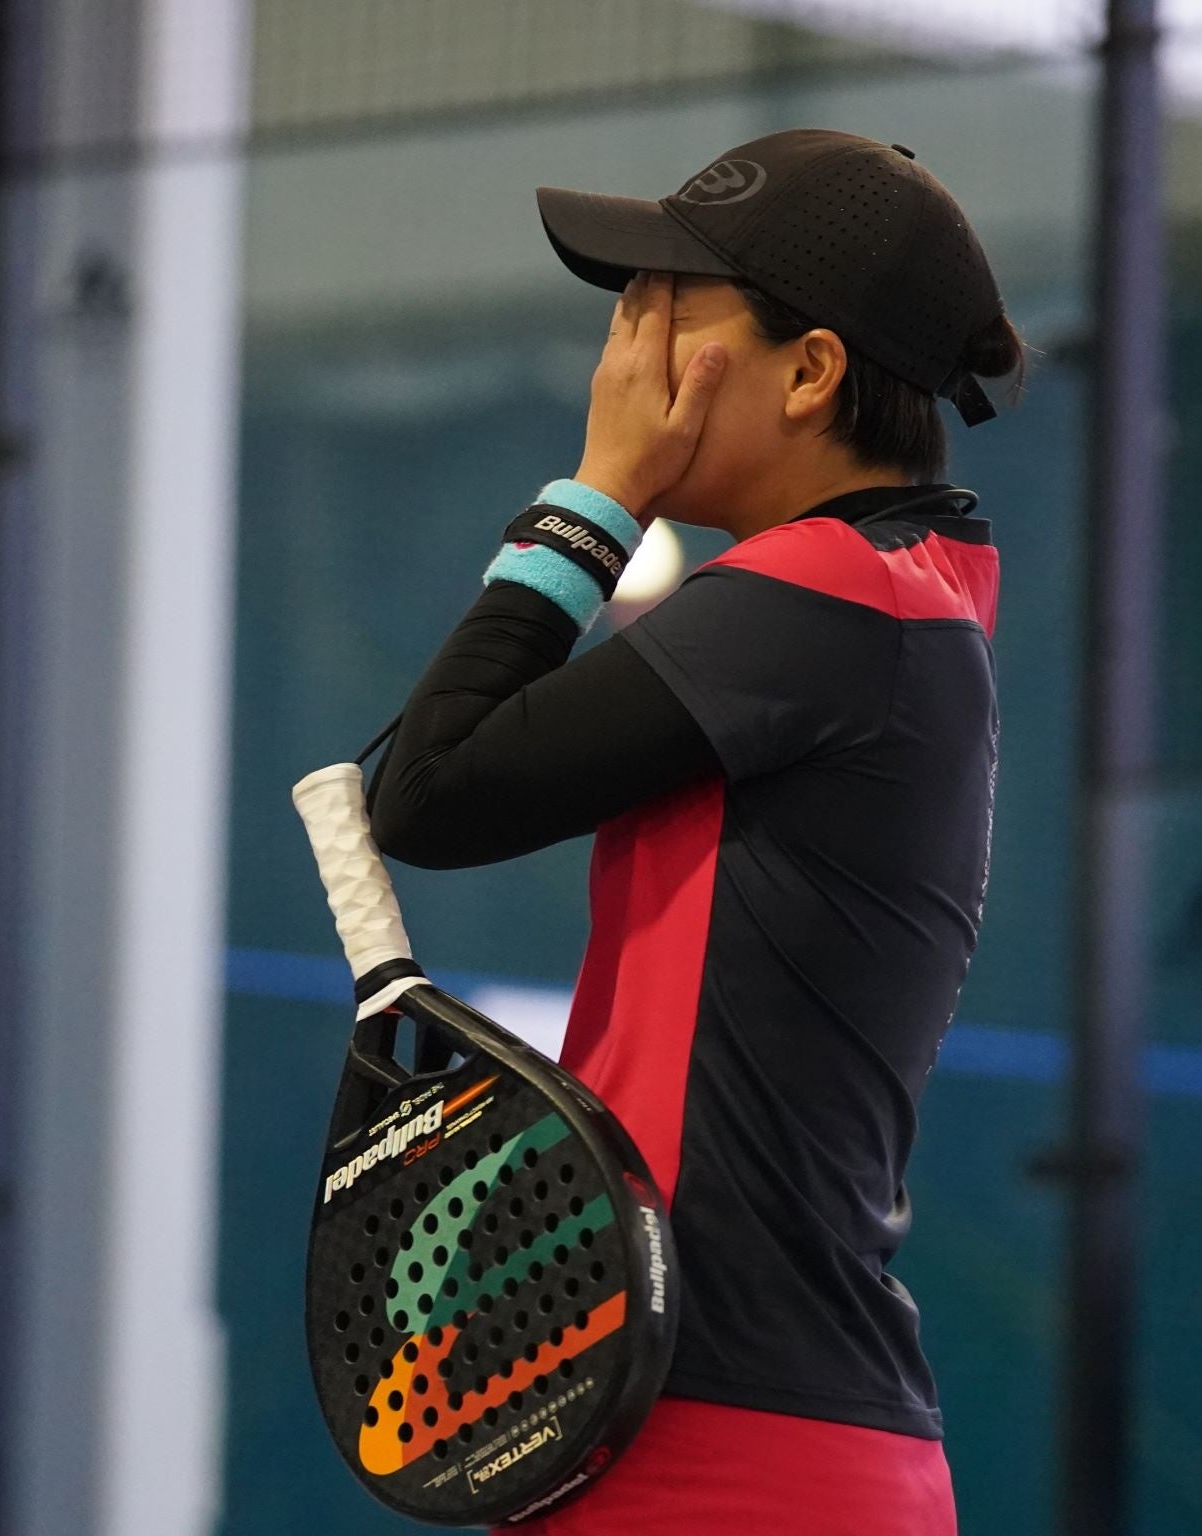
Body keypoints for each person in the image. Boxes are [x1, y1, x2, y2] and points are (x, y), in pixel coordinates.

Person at [366, 130, 1026, 1535]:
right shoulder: (895, 595)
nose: (628, 356)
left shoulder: (832, 595)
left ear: (811, 371)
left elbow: (428, 789)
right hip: (717, 1420)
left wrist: (595, 497)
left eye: (668, 311)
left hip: (725, 1448)